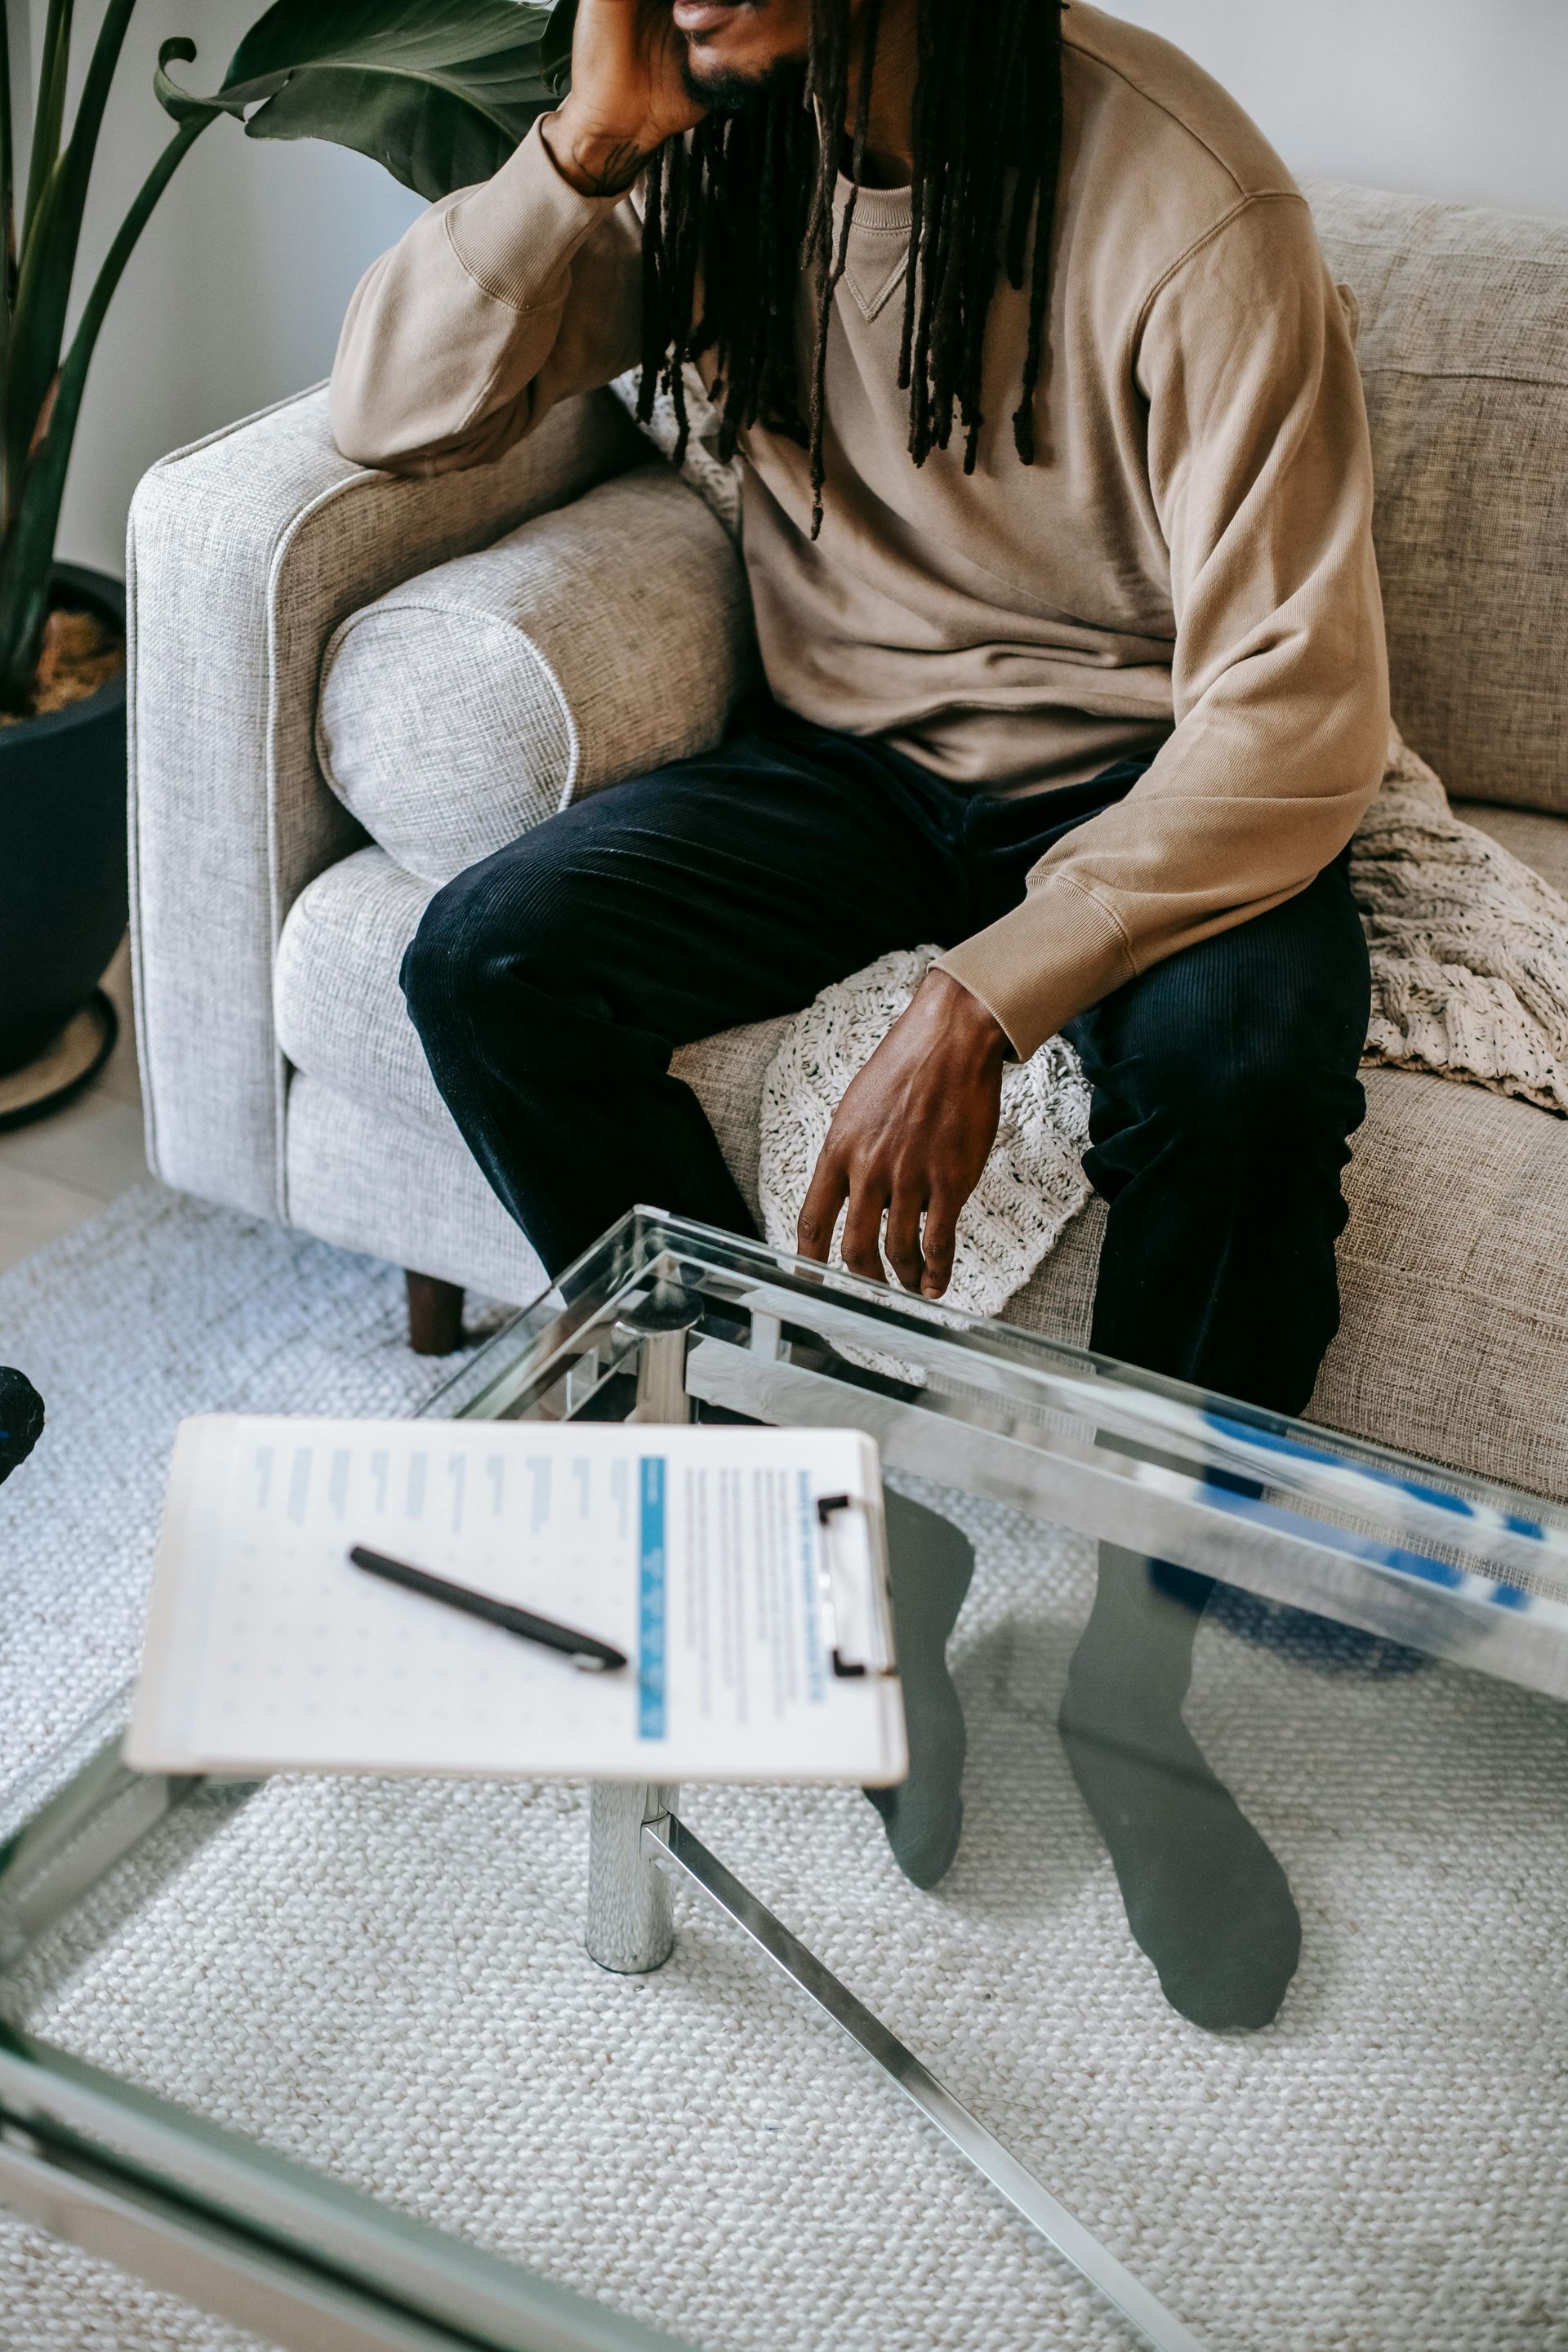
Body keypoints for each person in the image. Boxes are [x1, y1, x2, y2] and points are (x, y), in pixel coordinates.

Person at [328, 0, 1389, 2031]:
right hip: (848, 769)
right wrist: (580, 148)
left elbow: (1303, 709)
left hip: (1145, 767)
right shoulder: (718, 142)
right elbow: (389, 411)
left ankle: (1135, 1686)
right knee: (486, 965)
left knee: (1249, 1080)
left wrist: (986, 1002)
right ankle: (838, 1549)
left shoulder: (1186, 196)